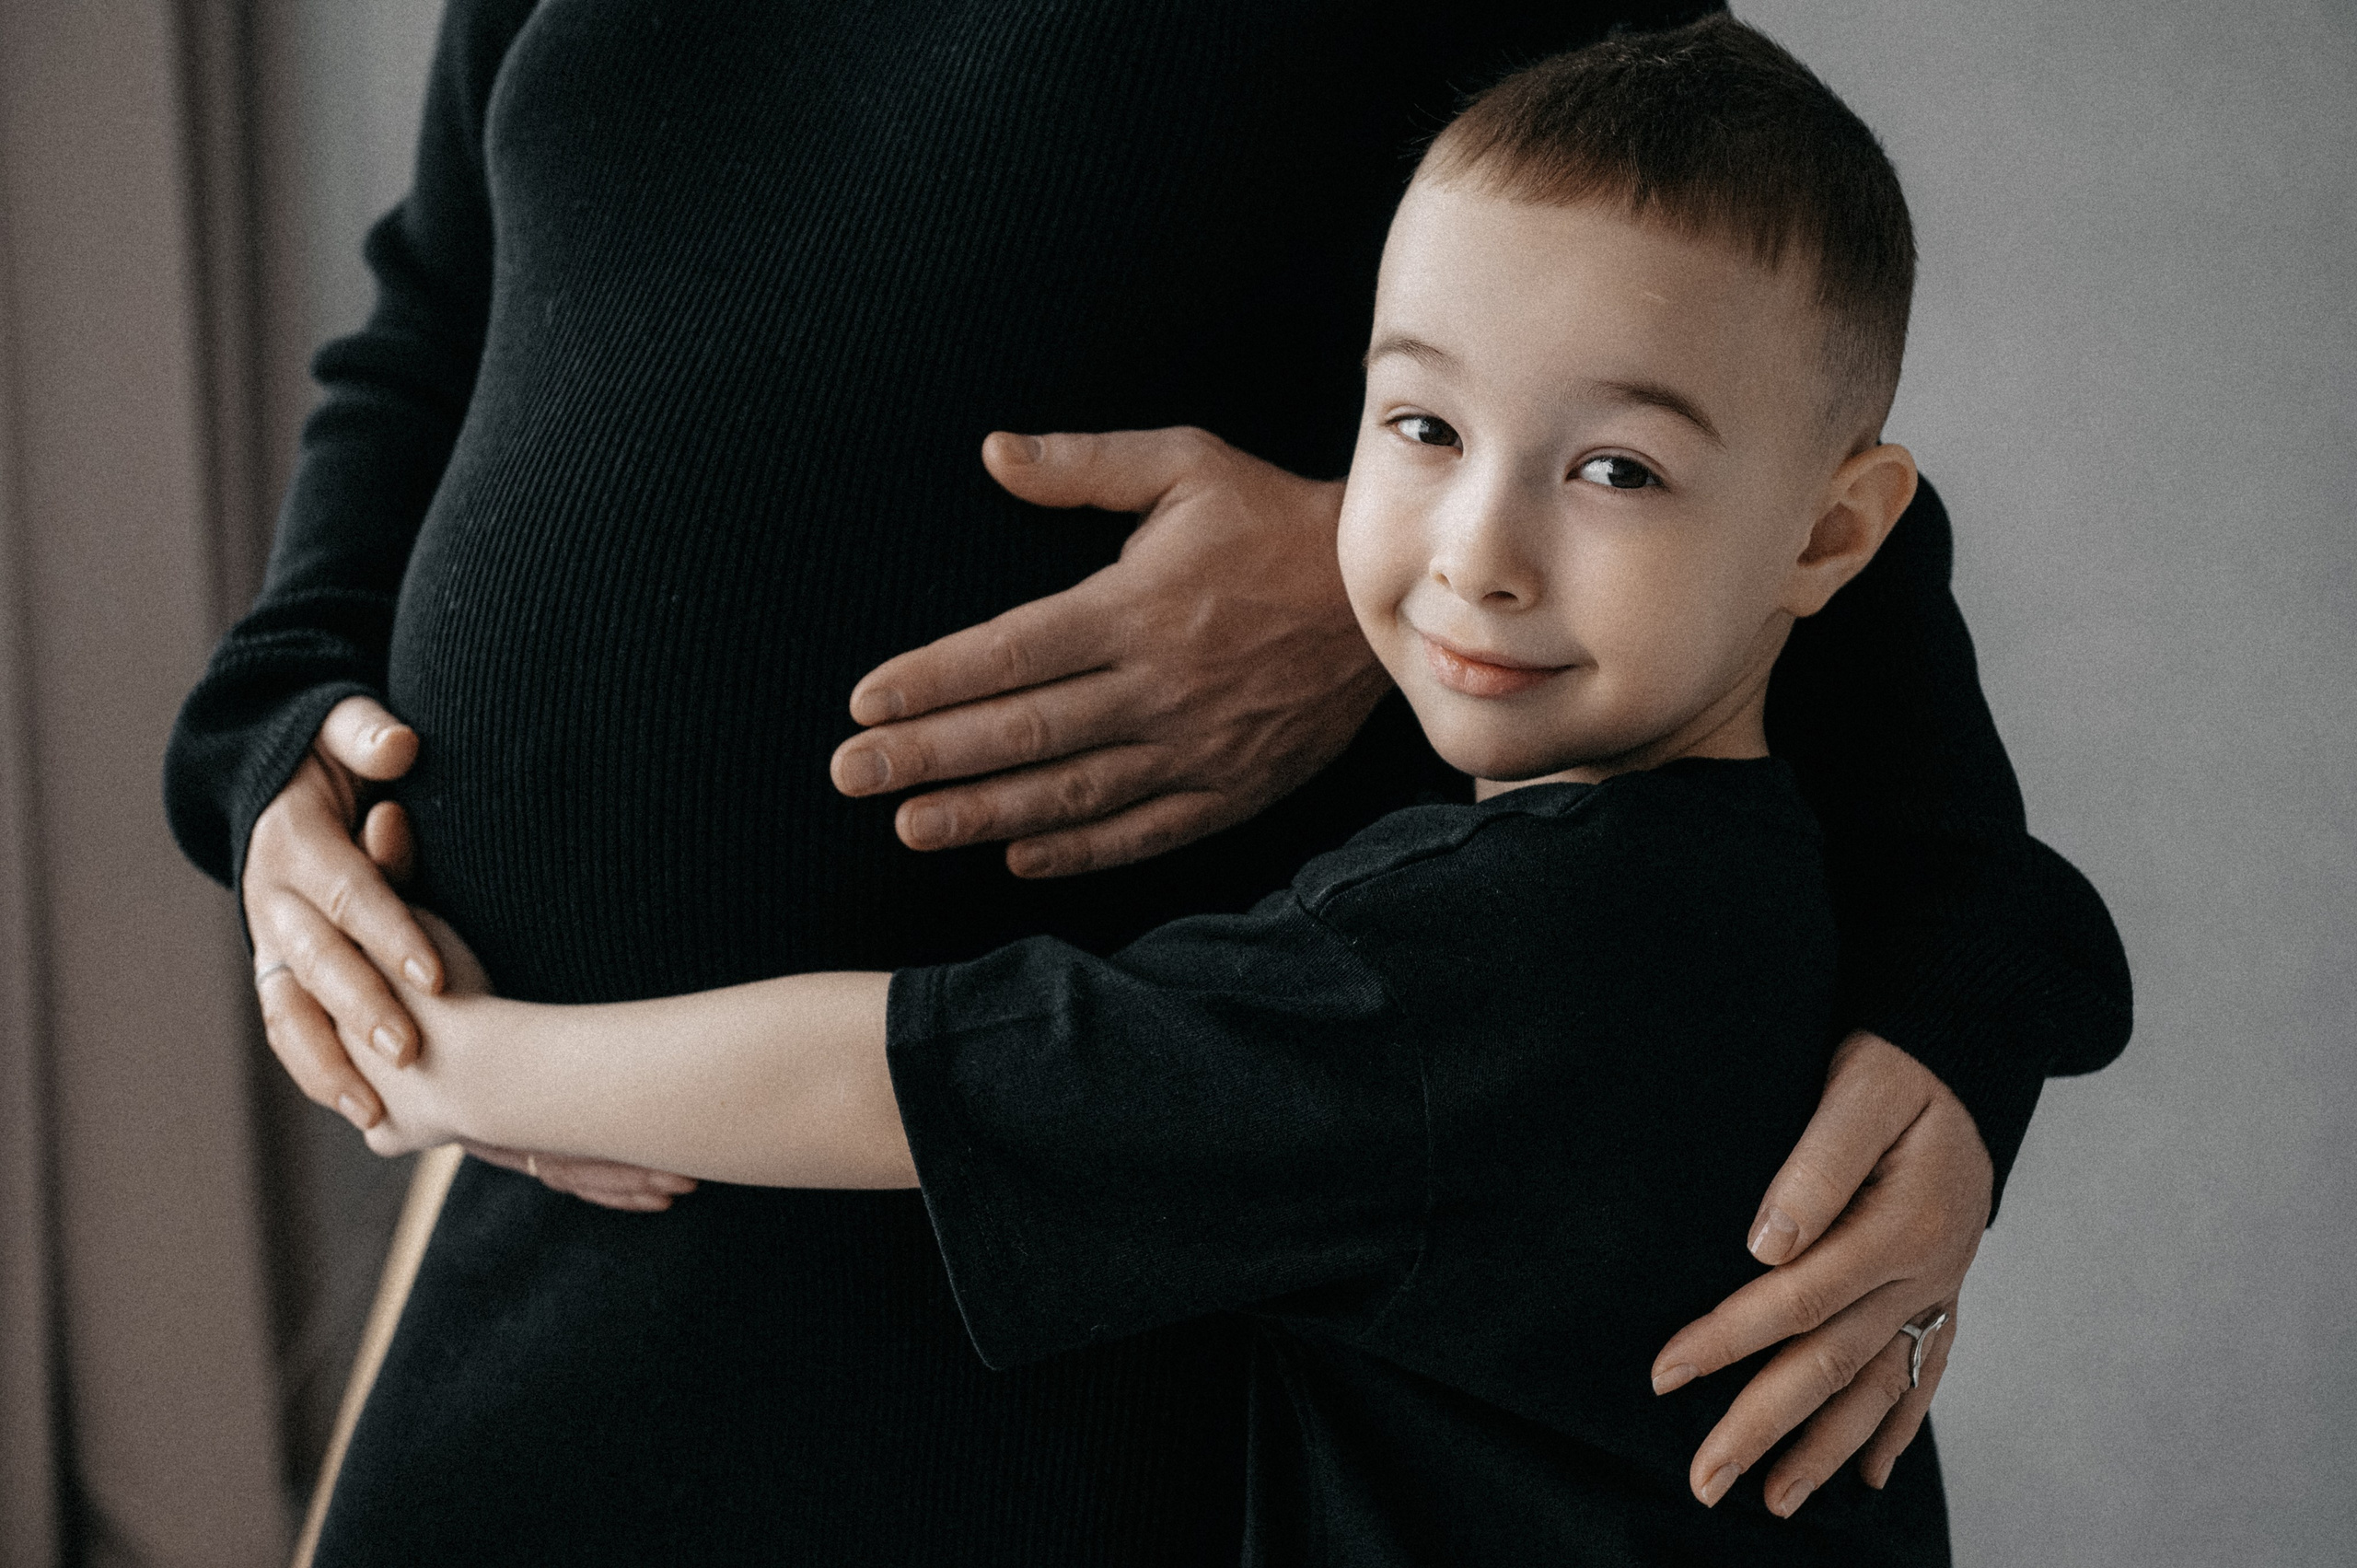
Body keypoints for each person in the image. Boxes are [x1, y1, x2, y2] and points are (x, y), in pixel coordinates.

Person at [164, 1, 2130, 1559]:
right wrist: (272, 752)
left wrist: (1959, 1021)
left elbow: (1718, 342)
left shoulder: (1524, 943)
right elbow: (432, 319)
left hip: (1070, 1282)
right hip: (571, 1223)